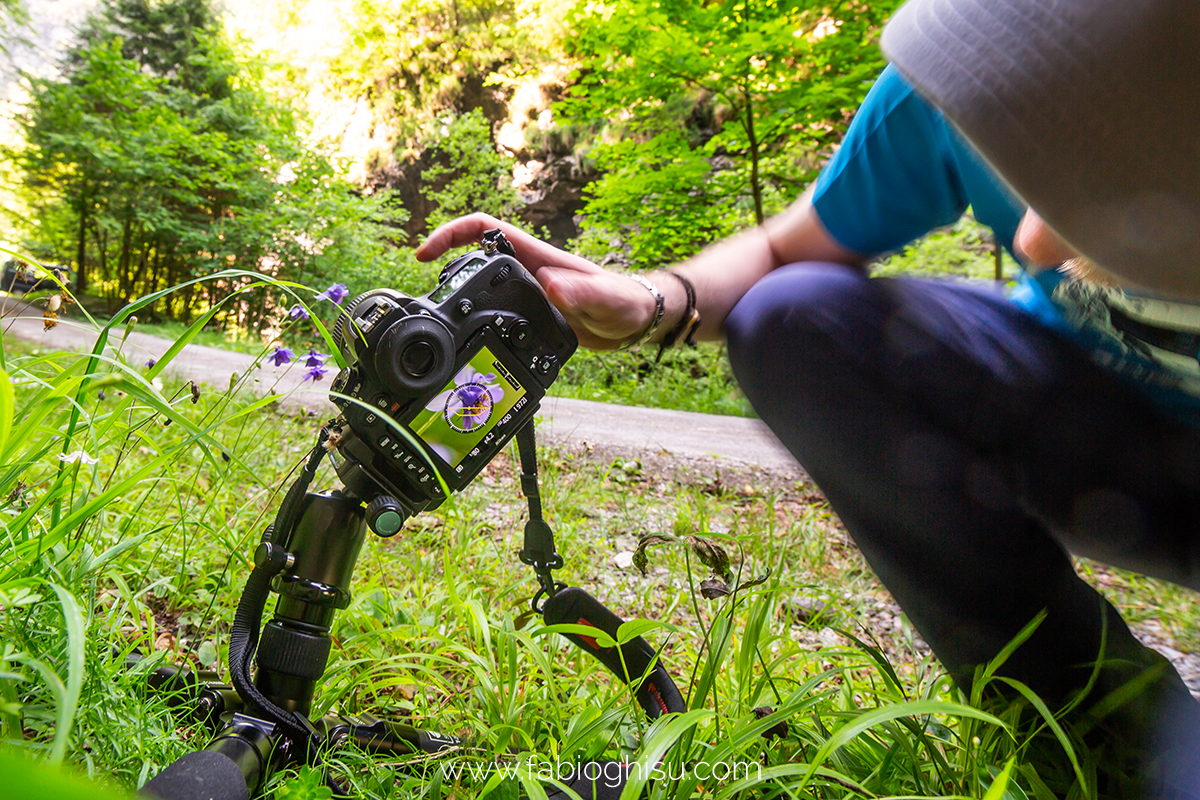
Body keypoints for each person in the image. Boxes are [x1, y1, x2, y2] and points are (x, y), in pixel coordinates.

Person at [417, 0, 1200, 793]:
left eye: (1116, 163)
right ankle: (1112, 743)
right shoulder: (973, 77)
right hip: (1095, 428)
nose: (1031, 239)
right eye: (1037, 142)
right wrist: (648, 301)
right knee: (798, 316)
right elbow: (787, 250)